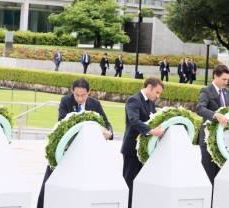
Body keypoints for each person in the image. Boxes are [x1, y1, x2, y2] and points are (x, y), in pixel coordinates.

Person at [37, 78, 113, 208]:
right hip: (65, 148)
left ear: (89, 92)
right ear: (72, 91)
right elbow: (61, 121)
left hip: (86, 151)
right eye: (76, 95)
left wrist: (109, 132)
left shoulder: (95, 104)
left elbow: (106, 123)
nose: (79, 98)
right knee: (50, 178)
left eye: (83, 95)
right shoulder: (66, 101)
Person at [196, 64, 229, 206]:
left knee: (221, 174)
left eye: (227, 79)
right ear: (215, 76)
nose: (226, 82)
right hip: (208, 139)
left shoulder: (228, 92)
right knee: (208, 174)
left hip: (225, 141)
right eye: (224, 79)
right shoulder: (206, 90)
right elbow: (199, 108)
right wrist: (215, 115)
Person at [121, 77, 165, 208]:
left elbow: (155, 120)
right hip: (132, 149)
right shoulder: (134, 100)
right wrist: (151, 131)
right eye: (157, 92)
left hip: (145, 149)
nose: (157, 96)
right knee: (129, 183)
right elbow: (134, 121)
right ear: (149, 87)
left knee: (140, 183)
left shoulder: (150, 102)